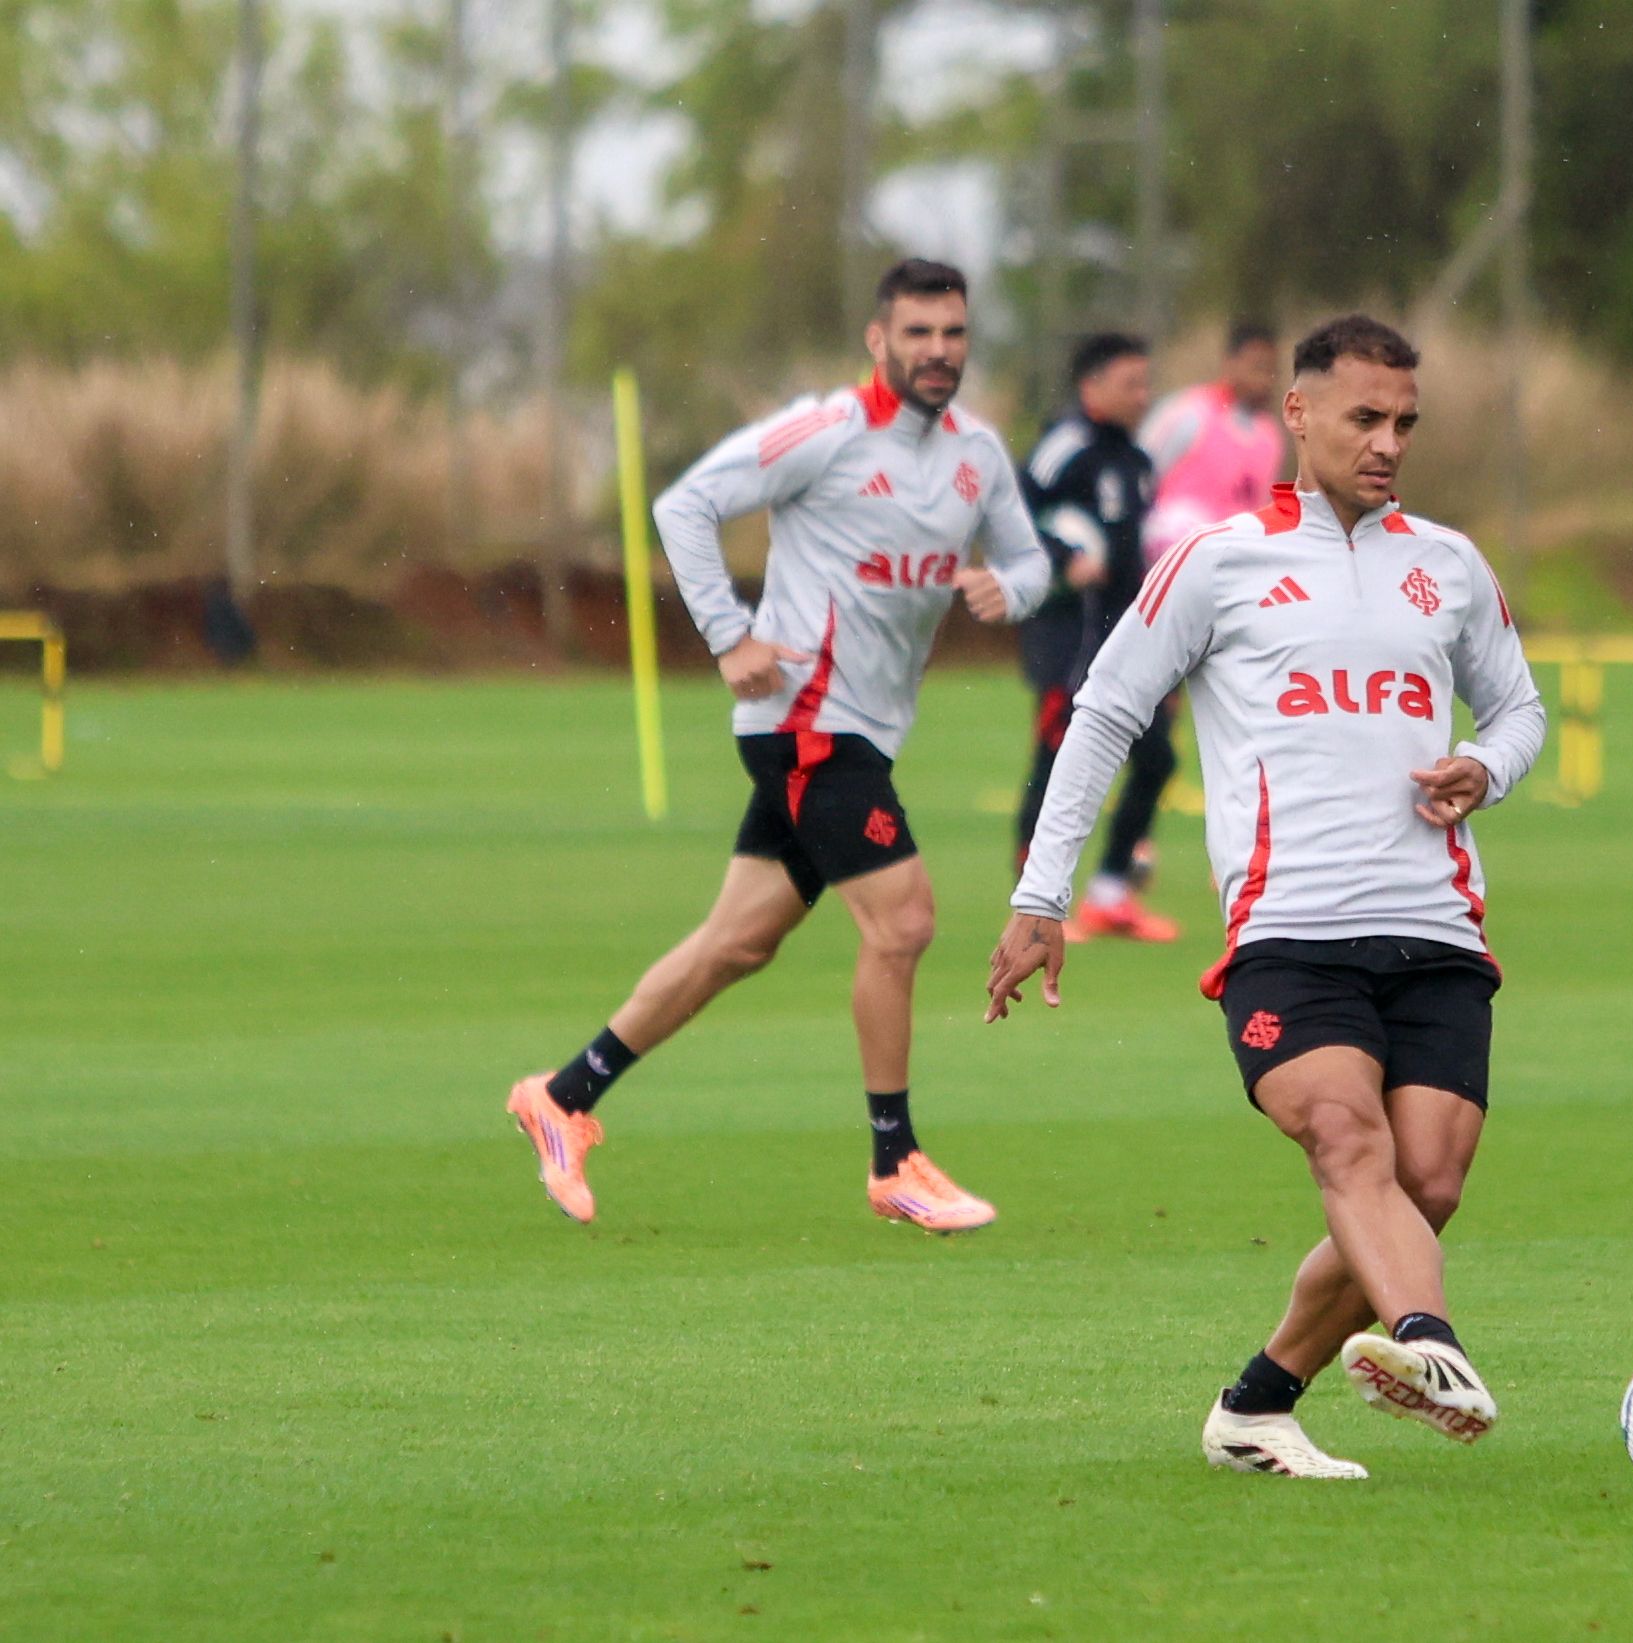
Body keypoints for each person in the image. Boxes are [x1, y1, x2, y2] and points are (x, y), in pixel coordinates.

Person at [986, 314, 1546, 1479]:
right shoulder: (1218, 560)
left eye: (1404, 423)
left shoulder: (1446, 562)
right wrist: (1042, 893)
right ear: (1299, 413)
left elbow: (1520, 711)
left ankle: (1255, 1404)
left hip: (1435, 927)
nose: (1387, 442)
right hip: (1287, 936)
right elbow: (1103, 711)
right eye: (1363, 417)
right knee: (1350, 1142)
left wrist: (1483, 766)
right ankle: (1427, 1344)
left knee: (1425, 1180)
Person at [505, 259, 1050, 1233]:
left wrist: (1013, 590)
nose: (937, 351)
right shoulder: (828, 431)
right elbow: (684, 504)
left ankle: (564, 1094)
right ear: (878, 341)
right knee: (904, 920)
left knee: (735, 943)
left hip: (862, 733)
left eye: (953, 333)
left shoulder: (976, 453)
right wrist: (728, 635)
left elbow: (1031, 557)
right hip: (806, 720)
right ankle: (896, 1160)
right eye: (916, 332)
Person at [1011, 332, 1178, 943]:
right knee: (1055, 757)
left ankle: (1110, 896)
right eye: (1132, 383)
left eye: (1147, 382)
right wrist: (1061, 555)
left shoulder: (1135, 460)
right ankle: (1028, 904)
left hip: (1128, 635)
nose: (1145, 395)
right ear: (1093, 387)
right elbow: (1013, 517)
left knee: (1157, 758)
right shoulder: (1064, 449)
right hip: (1070, 635)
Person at [1139, 320, 1288, 560]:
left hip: (1230, 554)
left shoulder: (1270, 435)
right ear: (1230, 363)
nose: (1265, 379)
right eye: (1257, 367)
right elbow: (1143, 470)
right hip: (1174, 549)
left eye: (1271, 369)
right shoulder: (1190, 411)